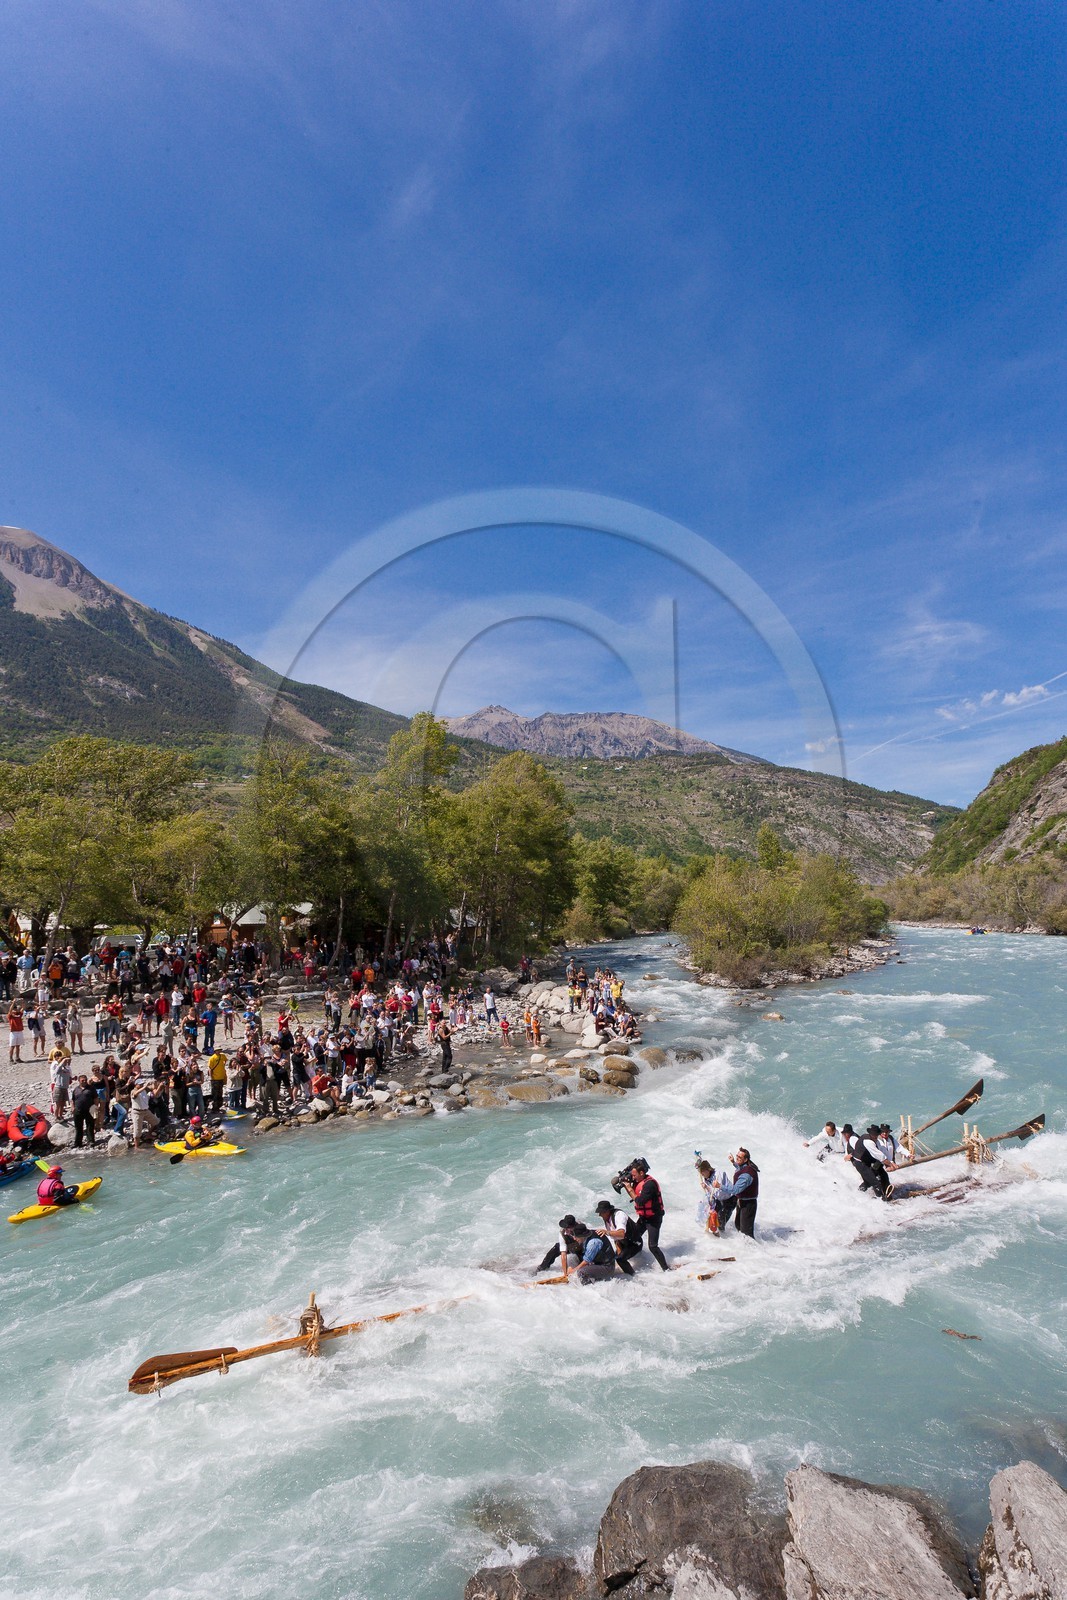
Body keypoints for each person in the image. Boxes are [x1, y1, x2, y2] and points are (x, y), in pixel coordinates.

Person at [622, 1157, 669, 1271]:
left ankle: (666, 1269)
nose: (633, 1178)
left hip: (654, 1219)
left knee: (653, 1246)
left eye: (634, 1175)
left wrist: (629, 1188)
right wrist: (627, 1186)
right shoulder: (638, 1182)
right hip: (643, 1218)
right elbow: (635, 1196)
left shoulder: (650, 1184)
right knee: (632, 1237)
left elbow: (639, 1201)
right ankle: (639, 1258)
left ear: (641, 1173)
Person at [716, 1148, 760, 1237]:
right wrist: (733, 1162)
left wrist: (720, 1186)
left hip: (748, 1205)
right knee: (738, 1225)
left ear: (746, 1159)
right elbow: (740, 1168)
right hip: (742, 1201)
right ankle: (742, 1245)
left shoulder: (747, 1175)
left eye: (739, 1157)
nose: (737, 1158)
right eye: (737, 1156)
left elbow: (735, 1190)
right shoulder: (745, 1166)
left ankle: (753, 1246)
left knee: (746, 1233)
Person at [843, 1124, 894, 1200]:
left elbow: (882, 1150)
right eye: (874, 1135)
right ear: (870, 1134)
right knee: (875, 1183)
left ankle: (886, 1192)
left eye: (876, 1135)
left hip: (868, 1161)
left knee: (883, 1175)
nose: (875, 1137)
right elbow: (880, 1156)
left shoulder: (876, 1140)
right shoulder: (868, 1142)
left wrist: (890, 1163)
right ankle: (881, 1200)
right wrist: (890, 1164)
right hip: (860, 1164)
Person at [593, 1199, 639, 1275]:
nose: (599, 1215)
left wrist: (606, 1232)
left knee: (620, 1259)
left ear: (607, 1211)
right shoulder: (607, 1218)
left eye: (601, 1212)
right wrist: (619, 1251)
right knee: (613, 1258)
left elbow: (621, 1234)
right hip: (624, 1243)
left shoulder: (619, 1215)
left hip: (635, 1243)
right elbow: (616, 1239)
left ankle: (633, 1276)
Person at [694, 1159, 722, 1233]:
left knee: (721, 1225)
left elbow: (718, 1192)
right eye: (700, 1172)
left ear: (708, 1169)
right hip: (717, 1199)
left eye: (702, 1172)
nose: (701, 1174)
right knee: (710, 1215)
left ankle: (721, 1234)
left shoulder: (717, 1175)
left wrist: (707, 1187)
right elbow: (711, 1193)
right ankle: (710, 1230)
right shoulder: (706, 1177)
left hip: (727, 1200)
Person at [71, 1074, 98, 1149]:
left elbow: (96, 1098)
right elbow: (72, 1100)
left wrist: (95, 1107)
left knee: (90, 1126)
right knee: (78, 1127)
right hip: (78, 1110)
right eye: (82, 1080)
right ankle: (78, 1143)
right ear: (79, 1081)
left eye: (85, 1080)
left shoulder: (91, 1088)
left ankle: (91, 1141)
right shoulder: (76, 1089)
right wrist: (72, 1108)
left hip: (89, 1110)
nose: (84, 1081)